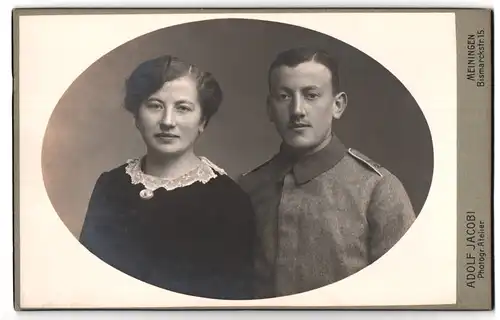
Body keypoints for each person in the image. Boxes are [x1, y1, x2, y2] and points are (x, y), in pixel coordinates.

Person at [238, 47, 416, 298]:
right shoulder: (247, 189)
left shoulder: (377, 189)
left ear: (338, 105)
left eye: (311, 95)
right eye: (284, 96)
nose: (297, 110)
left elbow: (406, 294)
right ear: (270, 108)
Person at [79, 55, 255, 300]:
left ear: (202, 121)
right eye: (155, 105)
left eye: (183, 108)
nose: (167, 122)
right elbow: (87, 282)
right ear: (136, 117)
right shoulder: (111, 184)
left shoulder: (228, 200)